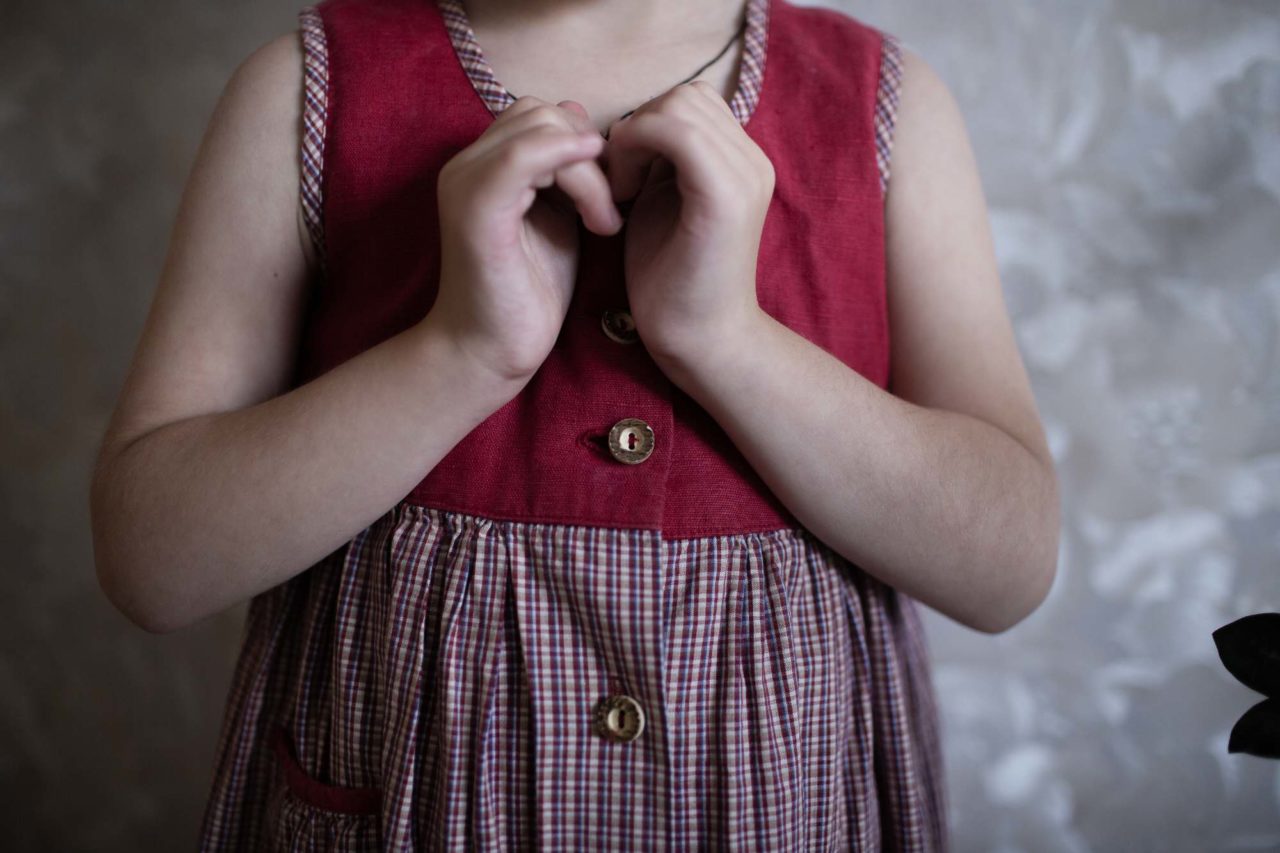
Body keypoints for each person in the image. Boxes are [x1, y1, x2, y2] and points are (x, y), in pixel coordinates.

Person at [88, 0, 1061, 848]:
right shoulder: (306, 90)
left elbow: (1006, 567)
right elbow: (153, 560)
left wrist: (725, 339)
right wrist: (462, 351)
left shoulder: (885, 107)